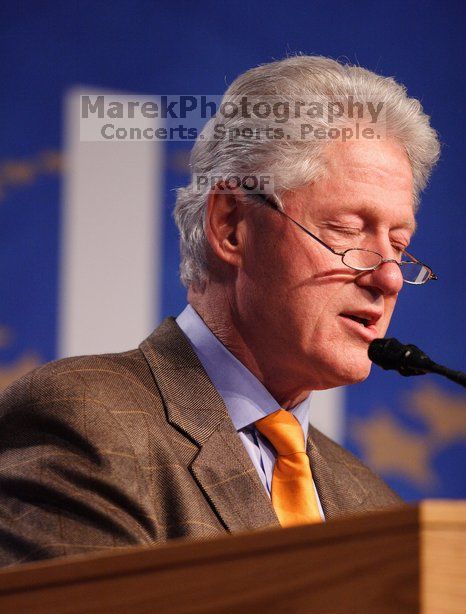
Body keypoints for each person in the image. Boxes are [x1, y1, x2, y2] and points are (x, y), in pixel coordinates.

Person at [0, 56, 440, 567]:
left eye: (400, 244)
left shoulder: (371, 504)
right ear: (232, 224)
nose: (387, 277)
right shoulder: (89, 422)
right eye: (346, 230)